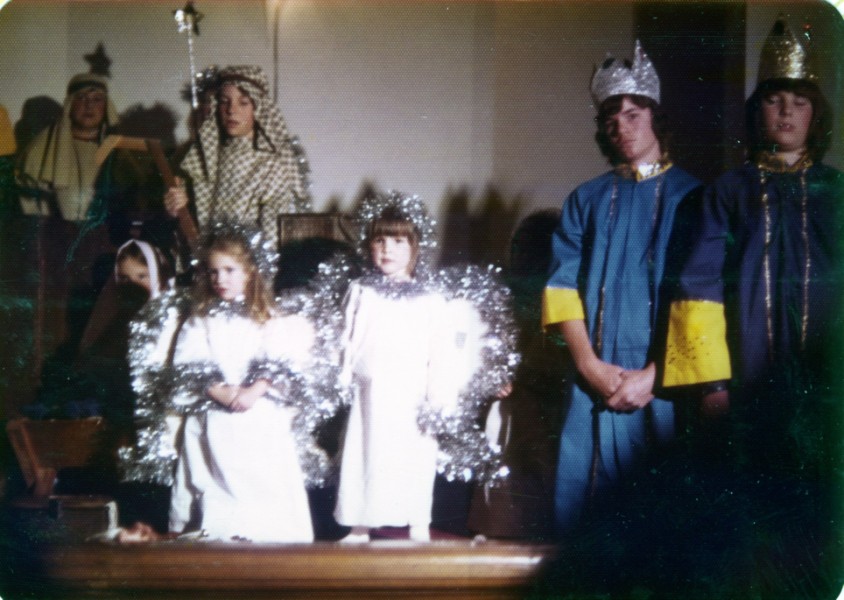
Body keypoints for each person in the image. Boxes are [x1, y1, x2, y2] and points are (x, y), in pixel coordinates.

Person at [661, 17, 843, 593]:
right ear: (756, 110)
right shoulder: (727, 193)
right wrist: (712, 386)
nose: (786, 112)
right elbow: (698, 289)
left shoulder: (837, 194)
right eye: (773, 100)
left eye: (799, 102)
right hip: (747, 381)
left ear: (816, 115)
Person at [541, 40, 701, 535]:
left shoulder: (695, 198)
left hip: (666, 382)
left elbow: (701, 300)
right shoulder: (585, 200)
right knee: (584, 517)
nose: (623, 127)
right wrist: (589, 366)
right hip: (594, 378)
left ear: (656, 118)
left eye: (634, 115)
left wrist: (654, 376)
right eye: (612, 119)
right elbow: (560, 288)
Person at [167, 220, 315, 542]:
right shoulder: (201, 319)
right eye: (213, 272)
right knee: (212, 455)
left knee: (261, 457)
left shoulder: (267, 317)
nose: (220, 279)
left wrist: (255, 390)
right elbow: (190, 358)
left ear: (250, 272)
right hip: (215, 405)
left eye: (229, 270)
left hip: (257, 404)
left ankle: (265, 531)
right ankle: (219, 529)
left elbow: (277, 356)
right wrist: (216, 390)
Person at [333, 193, 461, 543]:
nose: (387, 249)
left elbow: (440, 351)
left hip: (411, 393)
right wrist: (343, 375)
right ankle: (359, 525)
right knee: (364, 453)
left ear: (415, 247)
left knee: (414, 455)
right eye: (379, 240)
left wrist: (438, 398)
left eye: (398, 241)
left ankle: (417, 522)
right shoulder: (361, 291)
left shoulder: (429, 299)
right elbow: (346, 337)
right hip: (369, 391)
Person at [164, 65, 311, 251]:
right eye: (224, 101)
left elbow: (271, 243)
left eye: (243, 102)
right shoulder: (203, 159)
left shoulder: (272, 166)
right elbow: (190, 229)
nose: (231, 110)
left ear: (258, 108)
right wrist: (176, 209)